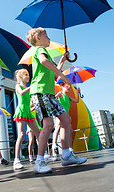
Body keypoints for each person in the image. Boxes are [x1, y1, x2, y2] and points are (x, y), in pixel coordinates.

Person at [26, 27, 87, 174]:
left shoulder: (44, 52)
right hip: (40, 92)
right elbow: (44, 61)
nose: (49, 38)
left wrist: (61, 60)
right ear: (38, 38)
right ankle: (39, 161)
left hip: (49, 93)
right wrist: (63, 76)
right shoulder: (39, 50)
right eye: (46, 35)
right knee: (49, 123)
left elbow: (52, 74)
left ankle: (66, 155)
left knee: (66, 119)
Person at [13, 69, 40, 170]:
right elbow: (22, 93)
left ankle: (41, 155)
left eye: (28, 74)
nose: (28, 76)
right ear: (20, 77)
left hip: (28, 111)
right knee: (21, 135)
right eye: (26, 74)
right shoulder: (18, 86)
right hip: (21, 110)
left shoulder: (28, 87)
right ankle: (16, 160)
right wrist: (30, 87)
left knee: (38, 133)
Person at [53, 83, 81, 157]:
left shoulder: (68, 97)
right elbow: (54, 98)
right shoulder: (60, 94)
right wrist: (57, 100)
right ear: (62, 87)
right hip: (60, 114)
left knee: (69, 132)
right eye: (67, 87)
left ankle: (70, 148)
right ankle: (54, 145)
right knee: (57, 128)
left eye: (69, 87)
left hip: (66, 116)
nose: (69, 88)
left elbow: (77, 101)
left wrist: (77, 93)